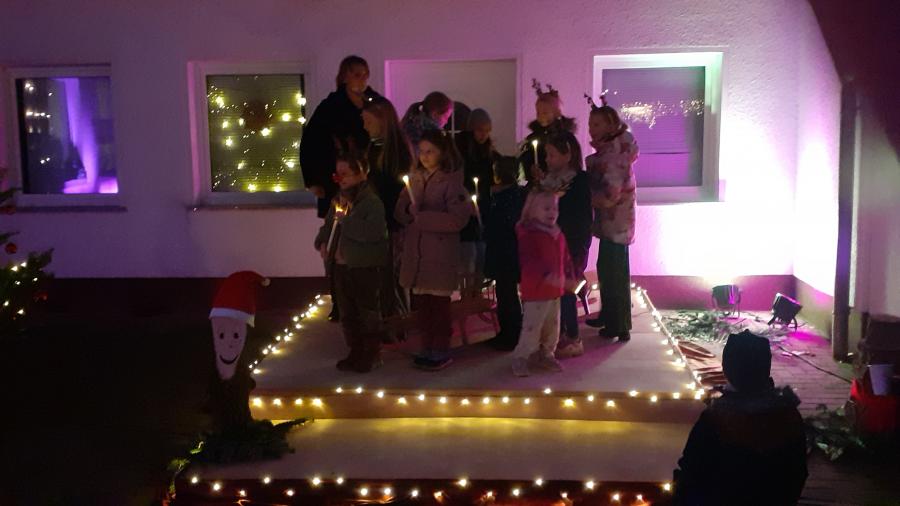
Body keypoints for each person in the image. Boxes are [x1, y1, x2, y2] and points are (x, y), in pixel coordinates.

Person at [673, 330, 808, 505]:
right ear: (766, 369)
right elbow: (797, 473)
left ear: (727, 369)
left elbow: (691, 470)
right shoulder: (788, 415)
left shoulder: (716, 419)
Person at [300, 55, 380, 322]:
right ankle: (339, 299)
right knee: (335, 238)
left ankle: (365, 297)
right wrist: (314, 180)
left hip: (367, 183)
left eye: (365, 74)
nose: (362, 79)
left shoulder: (374, 103)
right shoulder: (330, 107)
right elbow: (310, 144)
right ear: (345, 76)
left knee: (363, 236)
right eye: (356, 74)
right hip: (335, 181)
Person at [395, 129, 471, 371]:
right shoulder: (414, 178)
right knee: (423, 306)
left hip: (438, 254)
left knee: (438, 306)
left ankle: (440, 348)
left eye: (431, 151)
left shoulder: (451, 182)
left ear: (442, 153)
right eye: (422, 151)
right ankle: (426, 346)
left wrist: (424, 217)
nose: (425, 156)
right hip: (417, 253)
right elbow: (400, 210)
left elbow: (458, 219)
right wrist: (407, 212)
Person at [314, 154, 389, 373]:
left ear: (360, 174)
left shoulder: (372, 203)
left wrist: (346, 221)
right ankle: (355, 350)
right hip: (340, 266)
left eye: (345, 174)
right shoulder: (338, 200)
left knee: (367, 311)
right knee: (347, 313)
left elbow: (373, 233)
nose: (341, 179)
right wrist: (322, 242)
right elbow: (328, 225)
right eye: (338, 175)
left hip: (363, 266)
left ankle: (371, 353)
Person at [584, 96, 638, 340]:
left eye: (596, 124)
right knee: (607, 269)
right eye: (590, 124)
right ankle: (610, 316)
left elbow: (610, 194)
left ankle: (619, 325)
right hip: (614, 222)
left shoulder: (613, 155)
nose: (591, 129)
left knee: (614, 273)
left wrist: (586, 197)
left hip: (616, 222)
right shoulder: (609, 151)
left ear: (609, 125)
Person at [361, 97, 415, 335]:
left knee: (394, 277)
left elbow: (399, 192)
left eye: (368, 121)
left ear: (382, 121)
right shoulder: (373, 148)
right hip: (376, 221)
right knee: (380, 276)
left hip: (393, 223)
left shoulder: (398, 152)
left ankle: (399, 326)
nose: (365, 127)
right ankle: (386, 324)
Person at [512, 190, 576, 377]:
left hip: (555, 291)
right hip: (536, 291)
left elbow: (566, 258)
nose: (552, 212)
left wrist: (571, 275)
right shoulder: (529, 235)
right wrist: (547, 276)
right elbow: (529, 261)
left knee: (552, 326)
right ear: (531, 211)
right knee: (532, 327)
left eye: (555, 208)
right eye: (546, 208)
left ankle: (546, 354)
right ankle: (521, 357)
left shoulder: (558, 234)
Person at [539, 132, 591, 359]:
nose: (547, 159)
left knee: (567, 288)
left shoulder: (578, 181)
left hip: (572, 243)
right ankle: (557, 332)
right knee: (555, 290)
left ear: (567, 154)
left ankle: (573, 336)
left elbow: (580, 217)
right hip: (552, 241)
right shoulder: (550, 181)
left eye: (551, 155)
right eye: (546, 155)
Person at [483, 156, 527, 351]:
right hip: (506, 250)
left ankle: (512, 334)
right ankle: (507, 332)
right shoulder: (514, 195)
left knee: (507, 294)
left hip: (506, 251)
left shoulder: (507, 197)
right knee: (505, 293)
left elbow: (504, 223)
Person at [455, 108, 497, 298]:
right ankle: (466, 292)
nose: (483, 135)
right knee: (468, 253)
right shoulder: (460, 151)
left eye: (487, 131)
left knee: (481, 252)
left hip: (483, 206)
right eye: (480, 130)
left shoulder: (488, 153)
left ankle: (477, 291)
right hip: (465, 207)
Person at [517, 79, 577, 185]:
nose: (541, 116)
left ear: (556, 113)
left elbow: (574, 163)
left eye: (545, 112)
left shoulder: (566, 138)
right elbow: (526, 159)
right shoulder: (532, 138)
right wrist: (531, 170)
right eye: (538, 112)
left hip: (561, 184)